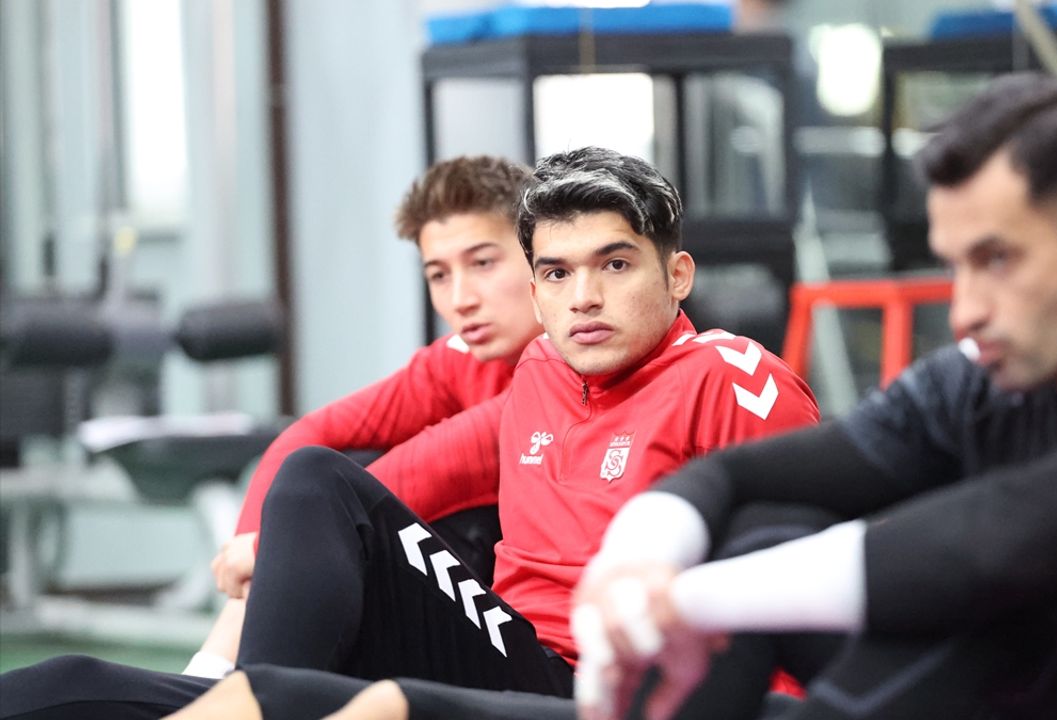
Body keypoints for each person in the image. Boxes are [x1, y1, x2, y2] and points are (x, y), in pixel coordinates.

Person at [0, 146, 820, 719]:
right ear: (539, 293)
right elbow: (385, 466)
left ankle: (244, 698)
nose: (584, 298)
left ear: (676, 274)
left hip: (608, 692)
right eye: (558, 273)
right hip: (505, 654)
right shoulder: (540, 372)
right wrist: (268, 540)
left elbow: (797, 591)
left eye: (614, 265)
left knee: (317, 512)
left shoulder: (729, 379)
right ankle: (235, 694)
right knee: (59, 686)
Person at [570, 73, 1057, 720]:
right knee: (759, 532)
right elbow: (737, 477)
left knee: (1012, 605)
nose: (966, 312)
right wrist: (632, 568)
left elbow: (1003, 541)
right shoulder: (988, 378)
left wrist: (684, 602)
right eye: (956, 266)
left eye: (996, 260)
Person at [184, 155, 544, 679]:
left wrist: (271, 547)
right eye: (439, 275)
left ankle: (229, 687)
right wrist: (249, 542)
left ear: (538, 254)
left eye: (483, 263)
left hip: (546, 650)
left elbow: (436, 465)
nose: (461, 299)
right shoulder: (458, 358)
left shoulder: (570, 363)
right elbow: (314, 433)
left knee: (395, 513)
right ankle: (212, 680)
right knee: (343, 464)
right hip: (479, 617)